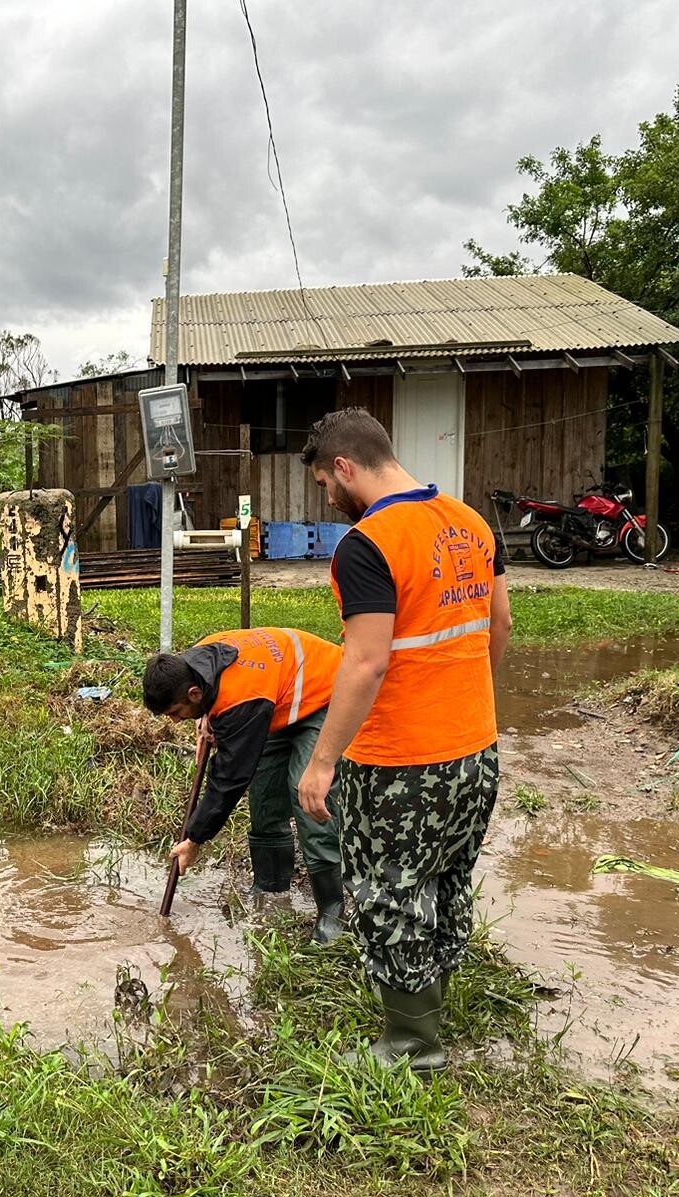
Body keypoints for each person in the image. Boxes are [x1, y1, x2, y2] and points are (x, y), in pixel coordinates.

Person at [294, 407, 512, 1072]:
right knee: (445, 880)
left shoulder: (368, 543)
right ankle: (429, 1002)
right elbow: (499, 626)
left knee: (390, 893)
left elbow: (366, 661)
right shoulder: (470, 521)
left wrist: (321, 762)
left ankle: (412, 1046)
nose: (328, 499)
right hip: (475, 751)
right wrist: (463, 707)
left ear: (344, 467)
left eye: (325, 485)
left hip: (400, 764)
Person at [142, 626, 347, 942]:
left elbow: (228, 779)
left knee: (304, 793)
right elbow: (212, 700)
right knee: (264, 795)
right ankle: (271, 889)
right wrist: (205, 717)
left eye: (176, 712)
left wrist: (195, 840)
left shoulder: (242, 698)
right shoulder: (197, 657)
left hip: (327, 695)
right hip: (278, 697)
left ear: (194, 694)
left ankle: (333, 912)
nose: (175, 721)